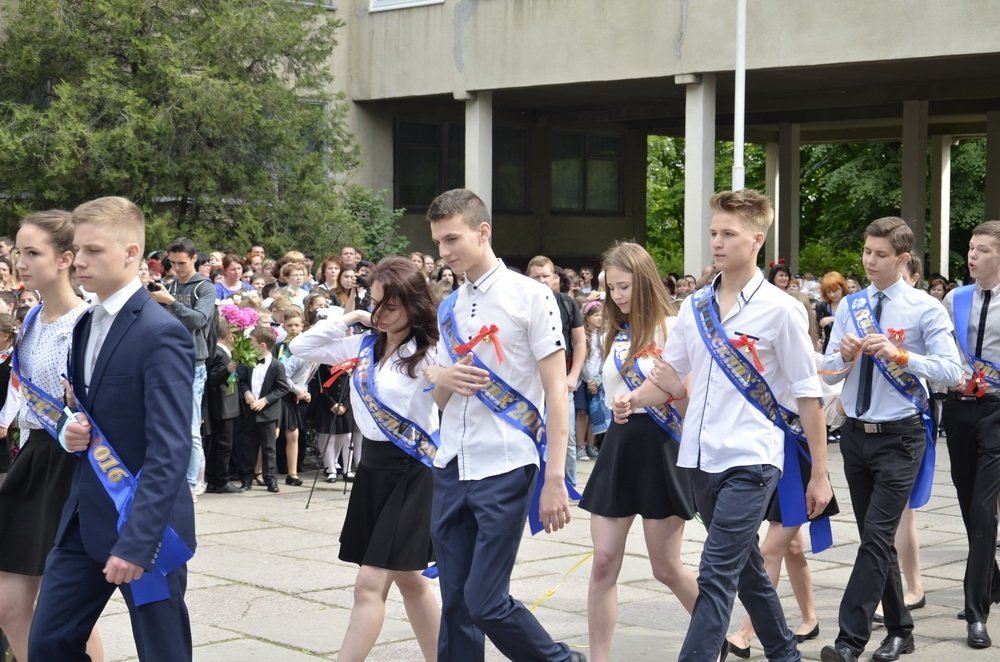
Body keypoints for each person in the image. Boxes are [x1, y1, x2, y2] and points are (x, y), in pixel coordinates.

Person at [615, 189, 832, 662]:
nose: (716, 242)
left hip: (752, 460)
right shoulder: (694, 308)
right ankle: (785, 654)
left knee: (715, 574)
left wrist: (819, 473)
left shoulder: (782, 309)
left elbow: (807, 394)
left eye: (728, 233)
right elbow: (669, 378)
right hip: (698, 459)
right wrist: (633, 399)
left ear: (756, 239)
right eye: (713, 232)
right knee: (748, 572)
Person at [29, 196, 196, 661]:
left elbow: (170, 448)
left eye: (94, 250)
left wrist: (139, 542)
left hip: (145, 528)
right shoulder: (86, 323)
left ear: (131, 253)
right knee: (48, 643)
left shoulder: (161, 332)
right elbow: (83, 410)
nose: (79, 261)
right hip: (84, 520)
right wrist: (69, 429)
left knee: (162, 652)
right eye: (77, 249)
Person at [422, 189, 582, 662]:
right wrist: (441, 377)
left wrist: (555, 477)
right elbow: (437, 395)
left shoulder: (531, 297)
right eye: (437, 243)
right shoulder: (448, 306)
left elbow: (556, 390)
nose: (445, 252)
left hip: (507, 464)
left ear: (483, 231)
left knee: (485, 601)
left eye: (452, 239)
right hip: (452, 464)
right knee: (454, 604)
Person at [819, 216, 963, 662]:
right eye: (866, 252)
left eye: (880, 255)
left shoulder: (924, 307)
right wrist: (841, 356)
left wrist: (902, 354)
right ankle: (901, 629)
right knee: (872, 538)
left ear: (903, 259)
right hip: (856, 435)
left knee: (876, 537)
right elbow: (826, 369)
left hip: (900, 436)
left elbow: (953, 372)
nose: (870, 262)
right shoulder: (851, 304)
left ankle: (849, 641)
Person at [291, 257, 441, 660]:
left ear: (413, 306)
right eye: (374, 303)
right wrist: (351, 315)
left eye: (390, 306)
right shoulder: (360, 344)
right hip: (372, 470)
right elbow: (299, 346)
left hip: (412, 472)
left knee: (369, 583)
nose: (380, 314)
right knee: (410, 579)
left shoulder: (428, 354)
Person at [580, 242, 699, 662]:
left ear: (645, 282)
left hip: (661, 449)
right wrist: (617, 402)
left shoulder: (675, 328)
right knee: (603, 562)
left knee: (665, 568)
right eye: (611, 288)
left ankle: (712, 636)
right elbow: (611, 388)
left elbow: (690, 399)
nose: (618, 296)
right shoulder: (614, 333)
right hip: (619, 448)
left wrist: (665, 394)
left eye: (625, 286)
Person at [0, 211, 104, 662]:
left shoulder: (86, 323)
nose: (20, 262)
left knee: (68, 614)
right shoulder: (31, 318)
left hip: (73, 464)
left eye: (32, 253)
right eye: (18, 253)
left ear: (65, 258)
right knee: (10, 604)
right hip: (34, 458)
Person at [726, 291, 843, 659]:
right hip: (769, 453)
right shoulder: (758, 360)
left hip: (800, 458)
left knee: (770, 548)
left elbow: (829, 405)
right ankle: (809, 617)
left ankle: (746, 632)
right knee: (790, 546)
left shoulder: (811, 361)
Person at [942, 220, 1000, 650]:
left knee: (984, 509)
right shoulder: (954, 298)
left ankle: (976, 613)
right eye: (971, 248)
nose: (972, 255)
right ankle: (990, 581)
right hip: (959, 409)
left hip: (997, 410)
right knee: (965, 499)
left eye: (981, 249)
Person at [149, 237, 216, 501]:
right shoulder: (171, 284)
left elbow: (200, 320)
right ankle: (173, 478)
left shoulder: (204, 286)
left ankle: (191, 483)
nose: (176, 268)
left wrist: (170, 302)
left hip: (192, 363)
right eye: (173, 263)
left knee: (189, 425)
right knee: (167, 423)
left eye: (182, 263)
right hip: (168, 360)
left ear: (194, 259)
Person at [528, 255, 586, 487]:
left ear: (554, 278)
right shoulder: (522, 303)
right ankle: (535, 485)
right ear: (528, 278)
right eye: (536, 276)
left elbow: (580, 342)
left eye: (545, 276)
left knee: (567, 436)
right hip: (531, 383)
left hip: (562, 380)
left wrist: (573, 376)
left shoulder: (567, 303)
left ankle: (568, 485)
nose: (541, 280)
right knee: (532, 434)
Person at [237, 326, 291, 493]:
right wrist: (246, 392)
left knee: (269, 448)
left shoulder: (276, 366)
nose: (249, 345)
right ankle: (246, 479)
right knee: (248, 446)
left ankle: (270, 479)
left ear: (262, 345)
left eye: (251, 342)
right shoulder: (248, 361)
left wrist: (265, 400)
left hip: (267, 413)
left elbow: (282, 388)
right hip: (249, 411)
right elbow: (243, 380)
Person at [204, 316, 243, 494]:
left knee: (223, 444)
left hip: (228, 405)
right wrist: (227, 370)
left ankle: (216, 478)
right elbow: (212, 379)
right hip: (221, 406)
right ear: (229, 336)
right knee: (223, 445)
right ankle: (220, 480)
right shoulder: (219, 354)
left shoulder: (224, 353)